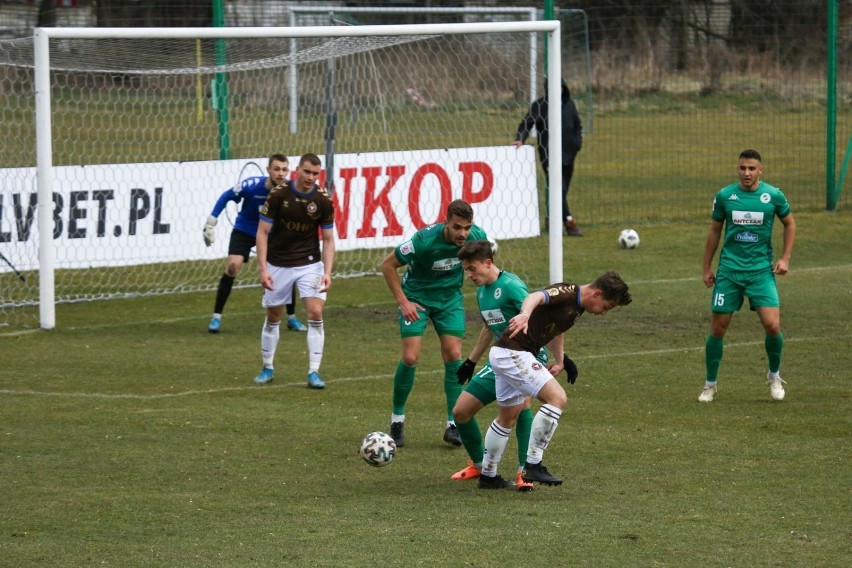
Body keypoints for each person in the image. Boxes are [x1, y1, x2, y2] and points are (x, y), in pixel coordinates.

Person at [478, 271, 632, 490]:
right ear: (597, 294)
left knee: (507, 417)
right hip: (513, 352)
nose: (603, 313)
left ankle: (488, 475)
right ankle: (533, 463)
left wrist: (560, 360)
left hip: (505, 353)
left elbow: (557, 331)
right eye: (606, 307)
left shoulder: (577, 307)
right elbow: (535, 297)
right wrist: (524, 315)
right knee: (557, 398)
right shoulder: (568, 292)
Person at [452, 239, 571, 492]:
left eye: (472, 268)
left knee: (521, 406)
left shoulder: (512, 286)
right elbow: (489, 326)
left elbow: (541, 318)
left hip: (528, 355)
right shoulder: (483, 291)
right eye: (466, 270)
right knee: (460, 412)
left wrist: (562, 356)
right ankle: (481, 466)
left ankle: (523, 472)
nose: (469, 275)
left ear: (488, 263)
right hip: (502, 357)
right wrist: (471, 361)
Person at [381, 199, 489, 448]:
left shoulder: (477, 237)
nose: (463, 233)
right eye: (457, 227)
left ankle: (454, 424)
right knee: (410, 358)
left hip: (449, 300)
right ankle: (397, 420)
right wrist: (404, 302)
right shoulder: (423, 241)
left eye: (467, 227)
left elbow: (484, 265)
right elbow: (388, 265)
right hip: (416, 299)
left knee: (453, 355)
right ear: (446, 223)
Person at [699, 149, 796, 403]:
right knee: (718, 329)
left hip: (760, 272)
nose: (747, 173)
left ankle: (774, 375)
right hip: (730, 271)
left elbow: (790, 224)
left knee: (773, 325)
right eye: (743, 168)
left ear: (760, 170)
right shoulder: (725, 196)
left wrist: (785, 258)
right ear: (737, 169)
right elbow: (714, 231)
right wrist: (707, 267)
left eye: (752, 168)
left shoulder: (773, 196)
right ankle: (710, 384)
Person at [254, 153, 335, 389]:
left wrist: (327, 272)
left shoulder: (323, 201)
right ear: (297, 170)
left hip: (309, 263)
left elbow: (328, 240)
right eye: (307, 172)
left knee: (315, 313)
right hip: (278, 263)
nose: (311, 177)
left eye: (315, 174)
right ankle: (267, 367)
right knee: (273, 316)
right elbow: (262, 232)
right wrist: (262, 269)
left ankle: (314, 372)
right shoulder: (279, 194)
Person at [203, 154, 306, 334]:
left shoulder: (291, 191)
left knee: (286, 272)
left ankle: (291, 318)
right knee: (233, 266)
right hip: (245, 230)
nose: (280, 173)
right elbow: (226, 196)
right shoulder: (251, 186)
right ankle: (216, 317)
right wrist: (211, 221)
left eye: (284, 169)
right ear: (268, 170)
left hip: (272, 235)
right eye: (276, 169)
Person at [513, 77, 583, 236]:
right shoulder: (539, 106)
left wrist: (577, 143)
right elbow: (526, 123)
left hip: (569, 155)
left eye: (560, 87)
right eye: (554, 87)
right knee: (559, 189)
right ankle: (570, 223)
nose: (558, 90)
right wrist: (520, 138)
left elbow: (578, 125)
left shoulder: (569, 105)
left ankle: (553, 220)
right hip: (549, 156)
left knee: (562, 192)